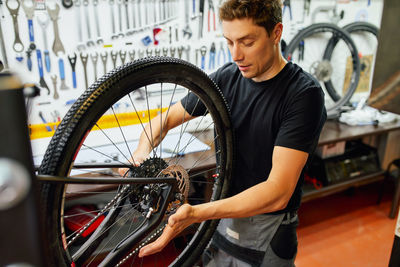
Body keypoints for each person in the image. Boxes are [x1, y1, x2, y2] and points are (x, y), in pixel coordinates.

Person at [122, 0, 327, 266]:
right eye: (229, 42)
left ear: (276, 33)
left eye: (247, 42)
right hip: (221, 212)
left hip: (267, 228)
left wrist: (197, 213)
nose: (236, 55)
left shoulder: (303, 95)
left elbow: (278, 192)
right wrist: (141, 154)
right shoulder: (228, 77)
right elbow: (164, 120)